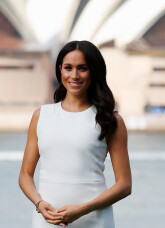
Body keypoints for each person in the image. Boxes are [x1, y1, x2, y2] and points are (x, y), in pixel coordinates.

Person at [19, 40, 132, 227]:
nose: (74, 75)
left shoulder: (111, 121)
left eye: (82, 68)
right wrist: (39, 203)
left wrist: (83, 209)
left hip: (94, 221)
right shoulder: (41, 116)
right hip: (47, 220)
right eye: (68, 68)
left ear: (94, 71)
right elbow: (25, 175)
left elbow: (124, 185)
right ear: (60, 70)